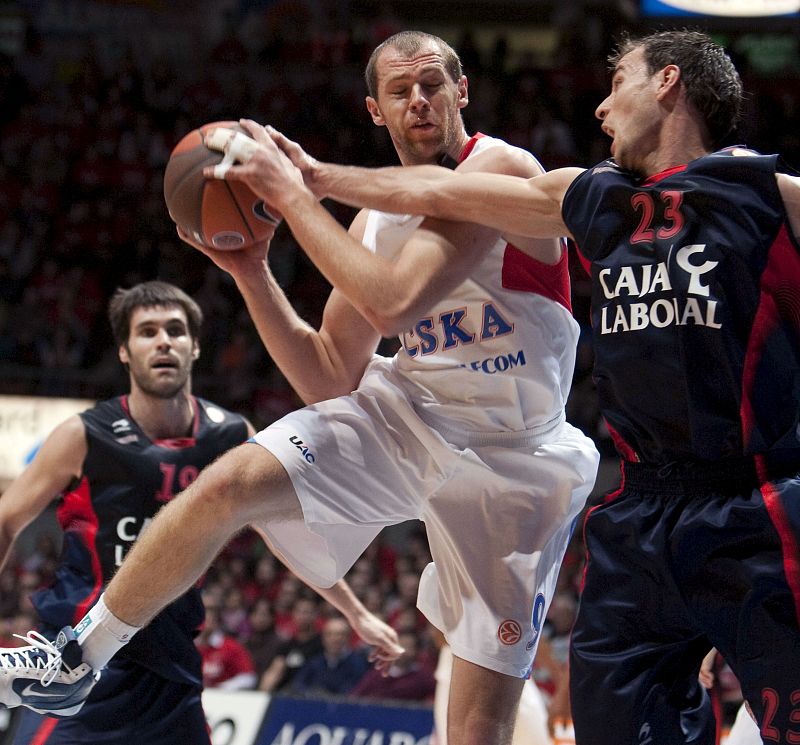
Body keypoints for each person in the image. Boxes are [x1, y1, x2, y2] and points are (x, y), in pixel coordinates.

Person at [0, 30, 598, 745]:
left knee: (477, 726)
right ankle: (78, 657)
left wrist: (295, 187)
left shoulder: (499, 167)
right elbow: (328, 373)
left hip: (515, 456)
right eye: (400, 91)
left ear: (462, 90)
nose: (419, 100)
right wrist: (251, 270)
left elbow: (395, 302)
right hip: (414, 414)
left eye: (433, 84)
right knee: (229, 483)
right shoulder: (371, 222)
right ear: (374, 110)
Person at [238, 28, 800, 745]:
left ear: (667, 82)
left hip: (758, 498)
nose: (600, 107)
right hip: (641, 513)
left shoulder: (773, 197)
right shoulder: (594, 195)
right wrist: (314, 181)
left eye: (616, 84)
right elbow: (442, 189)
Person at [0, 281, 254, 743]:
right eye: (147, 331)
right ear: (123, 350)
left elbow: (285, 534)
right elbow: (5, 521)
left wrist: (355, 612)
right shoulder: (83, 435)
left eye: (175, 330)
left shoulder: (232, 437)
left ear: (195, 346)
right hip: (80, 665)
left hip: (171, 671)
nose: (163, 342)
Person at [290, 616, 369, 697]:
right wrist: (310, 693)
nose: (334, 639)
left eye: (340, 634)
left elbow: (354, 690)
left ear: (349, 637)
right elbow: (298, 683)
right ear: (323, 638)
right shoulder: (315, 662)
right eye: (329, 634)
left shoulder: (358, 663)